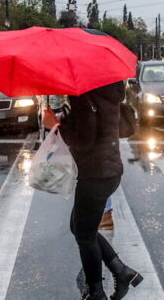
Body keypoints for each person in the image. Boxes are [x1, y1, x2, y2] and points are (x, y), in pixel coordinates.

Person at [42, 81, 142, 300]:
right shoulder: (105, 91)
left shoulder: (84, 95)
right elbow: (95, 128)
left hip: (96, 173)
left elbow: (83, 140)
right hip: (107, 170)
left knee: (84, 236)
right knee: (78, 227)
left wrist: (55, 126)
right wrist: (65, 119)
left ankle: (96, 292)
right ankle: (121, 271)